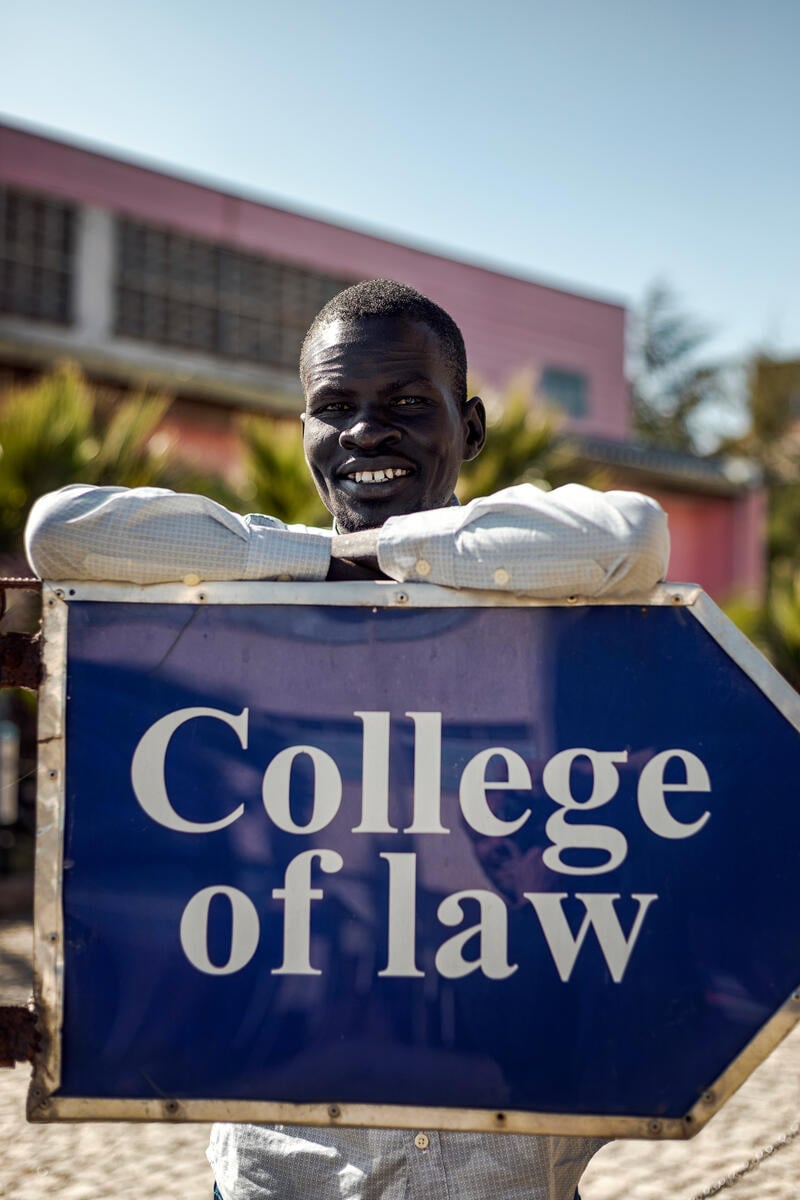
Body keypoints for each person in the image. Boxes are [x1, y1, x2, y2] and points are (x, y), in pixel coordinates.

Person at [26, 279, 670, 1200]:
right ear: (304, 431)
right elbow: (61, 534)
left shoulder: (538, 588)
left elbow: (634, 539)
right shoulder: (239, 596)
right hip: (276, 1176)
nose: (369, 432)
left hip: (502, 1174)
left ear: (471, 426)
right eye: (336, 408)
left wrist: (390, 551)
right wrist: (313, 562)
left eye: (409, 402)